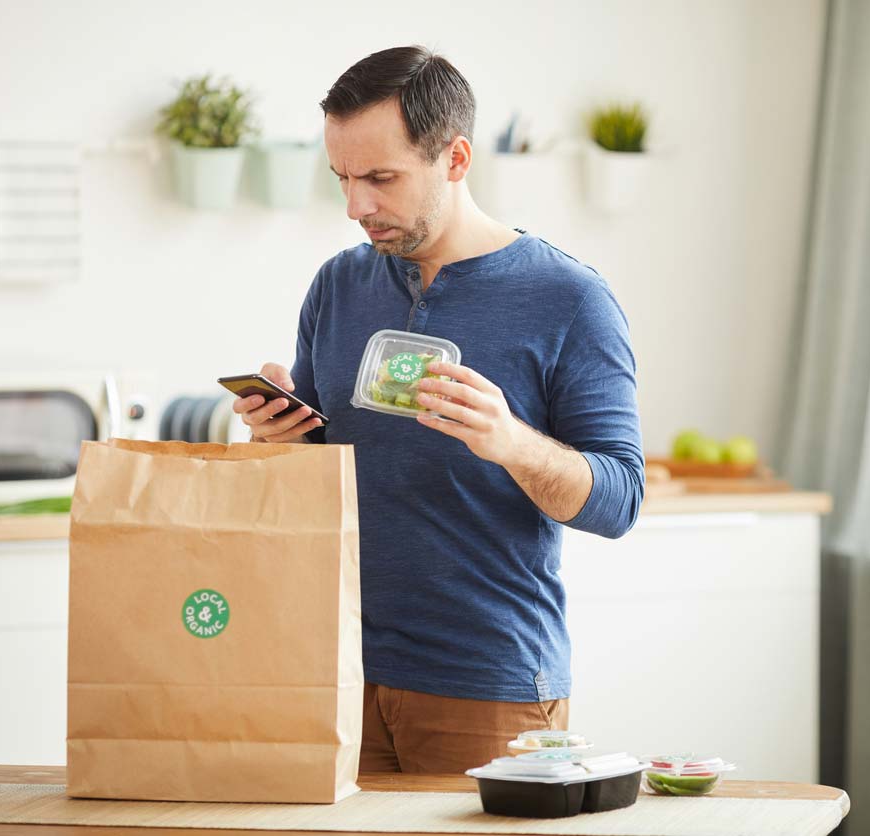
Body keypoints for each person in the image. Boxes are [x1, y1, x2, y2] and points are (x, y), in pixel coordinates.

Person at [231, 45, 644, 774]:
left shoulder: (570, 299)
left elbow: (619, 502)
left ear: (455, 159)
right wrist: (283, 439)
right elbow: (321, 488)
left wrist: (513, 442)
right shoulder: (337, 285)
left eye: (381, 178)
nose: (357, 206)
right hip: (337, 672)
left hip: (488, 685)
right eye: (343, 179)